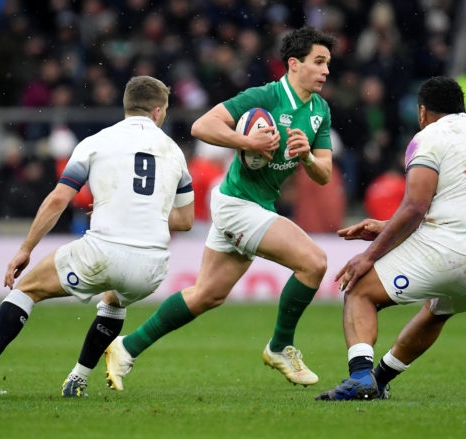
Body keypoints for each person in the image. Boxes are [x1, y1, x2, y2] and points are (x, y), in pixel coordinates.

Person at [103, 26, 337, 391]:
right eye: (318, 62)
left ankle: (126, 347)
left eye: (327, 63)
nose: (326, 70)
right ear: (294, 64)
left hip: (256, 204)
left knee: (207, 295)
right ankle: (280, 346)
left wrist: (307, 156)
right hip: (238, 204)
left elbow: (324, 174)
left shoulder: (320, 110)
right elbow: (202, 126)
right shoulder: (265, 96)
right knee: (314, 262)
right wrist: (247, 142)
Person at [0, 75, 194, 398]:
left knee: (27, 290)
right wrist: (144, 209)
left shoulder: (96, 142)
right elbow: (185, 220)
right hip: (151, 267)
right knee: (114, 300)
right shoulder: (174, 152)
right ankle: (78, 379)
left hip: (103, 251)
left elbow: (58, 199)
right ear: (158, 111)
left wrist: (26, 248)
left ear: (127, 106)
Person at [316, 76, 466, 401]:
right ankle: (379, 380)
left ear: (422, 112)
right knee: (436, 311)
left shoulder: (430, 136)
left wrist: (368, 256)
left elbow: (414, 207)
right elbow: (462, 204)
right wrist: (388, 227)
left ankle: (360, 377)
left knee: (359, 289)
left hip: (454, 252)